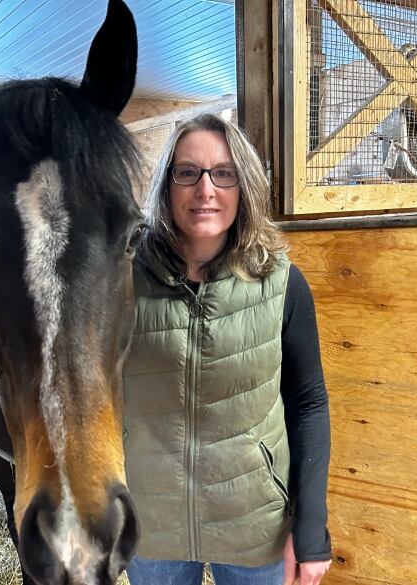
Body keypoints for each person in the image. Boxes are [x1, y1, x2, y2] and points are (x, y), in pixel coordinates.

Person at [122, 114, 332, 585]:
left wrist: (311, 527)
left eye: (224, 173)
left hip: (255, 526)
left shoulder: (281, 283)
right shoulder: (122, 282)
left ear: (243, 186)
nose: (205, 189)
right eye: (187, 172)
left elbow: (309, 404)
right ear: (166, 186)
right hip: (153, 528)